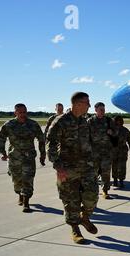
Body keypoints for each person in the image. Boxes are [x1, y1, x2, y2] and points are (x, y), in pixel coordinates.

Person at [47, 92, 99, 244]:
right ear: (77, 104)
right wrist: (58, 166)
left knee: (92, 196)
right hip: (68, 168)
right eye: (87, 102)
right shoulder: (61, 121)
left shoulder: (84, 121)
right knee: (71, 200)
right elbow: (50, 144)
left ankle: (85, 218)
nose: (89, 105)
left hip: (87, 167)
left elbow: (89, 143)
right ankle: (75, 230)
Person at [0, 104, 46, 212]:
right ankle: (20, 194)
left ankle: (26, 202)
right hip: (14, 157)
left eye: (24, 112)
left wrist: (43, 154)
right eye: (20, 112)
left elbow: (41, 139)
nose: (22, 114)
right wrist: (2, 152)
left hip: (29, 157)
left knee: (28, 179)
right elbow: (1, 138)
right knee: (16, 180)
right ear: (15, 113)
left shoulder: (33, 124)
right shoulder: (9, 124)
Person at [87, 102, 117, 199]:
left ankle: (105, 191)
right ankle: (94, 191)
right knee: (93, 173)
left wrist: (112, 132)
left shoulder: (109, 120)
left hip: (106, 152)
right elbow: (84, 135)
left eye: (104, 110)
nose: (103, 111)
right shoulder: (90, 121)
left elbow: (116, 132)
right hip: (94, 153)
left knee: (106, 172)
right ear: (95, 110)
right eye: (101, 110)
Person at [111, 116, 130, 188]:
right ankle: (115, 180)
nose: (118, 122)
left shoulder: (125, 130)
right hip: (113, 151)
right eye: (117, 120)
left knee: (122, 167)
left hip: (123, 151)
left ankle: (121, 181)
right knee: (114, 166)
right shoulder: (111, 130)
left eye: (120, 121)